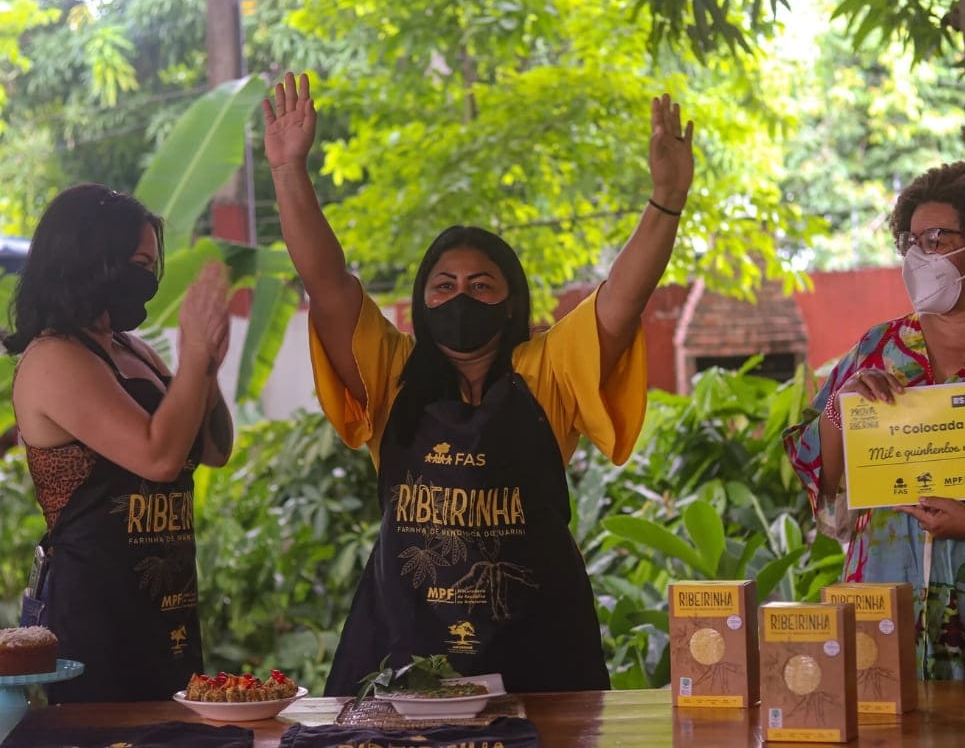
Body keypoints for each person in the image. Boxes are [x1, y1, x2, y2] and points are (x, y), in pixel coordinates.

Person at [263, 72, 694, 694]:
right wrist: (287, 171)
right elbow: (327, 281)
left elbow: (623, 298)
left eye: (480, 285)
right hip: (402, 643)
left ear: (510, 301)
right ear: (421, 300)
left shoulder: (548, 370)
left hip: (538, 646)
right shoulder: (391, 371)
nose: (460, 296)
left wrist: (667, 199)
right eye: (444, 285)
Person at [2, 183, 233, 702]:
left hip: (166, 607)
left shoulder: (135, 350)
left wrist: (208, 370)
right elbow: (158, 456)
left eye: (151, 265)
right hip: (94, 615)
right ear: (91, 260)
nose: (146, 279)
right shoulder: (55, 359)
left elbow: (213, 450)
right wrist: (193, 358)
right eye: (136, 262)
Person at [783, 162, 965, 680]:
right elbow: (824, 479)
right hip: (882, 599)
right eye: (909, 241)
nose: (916, 257)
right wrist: (844, 407)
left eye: (935, 238)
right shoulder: (880, 348)